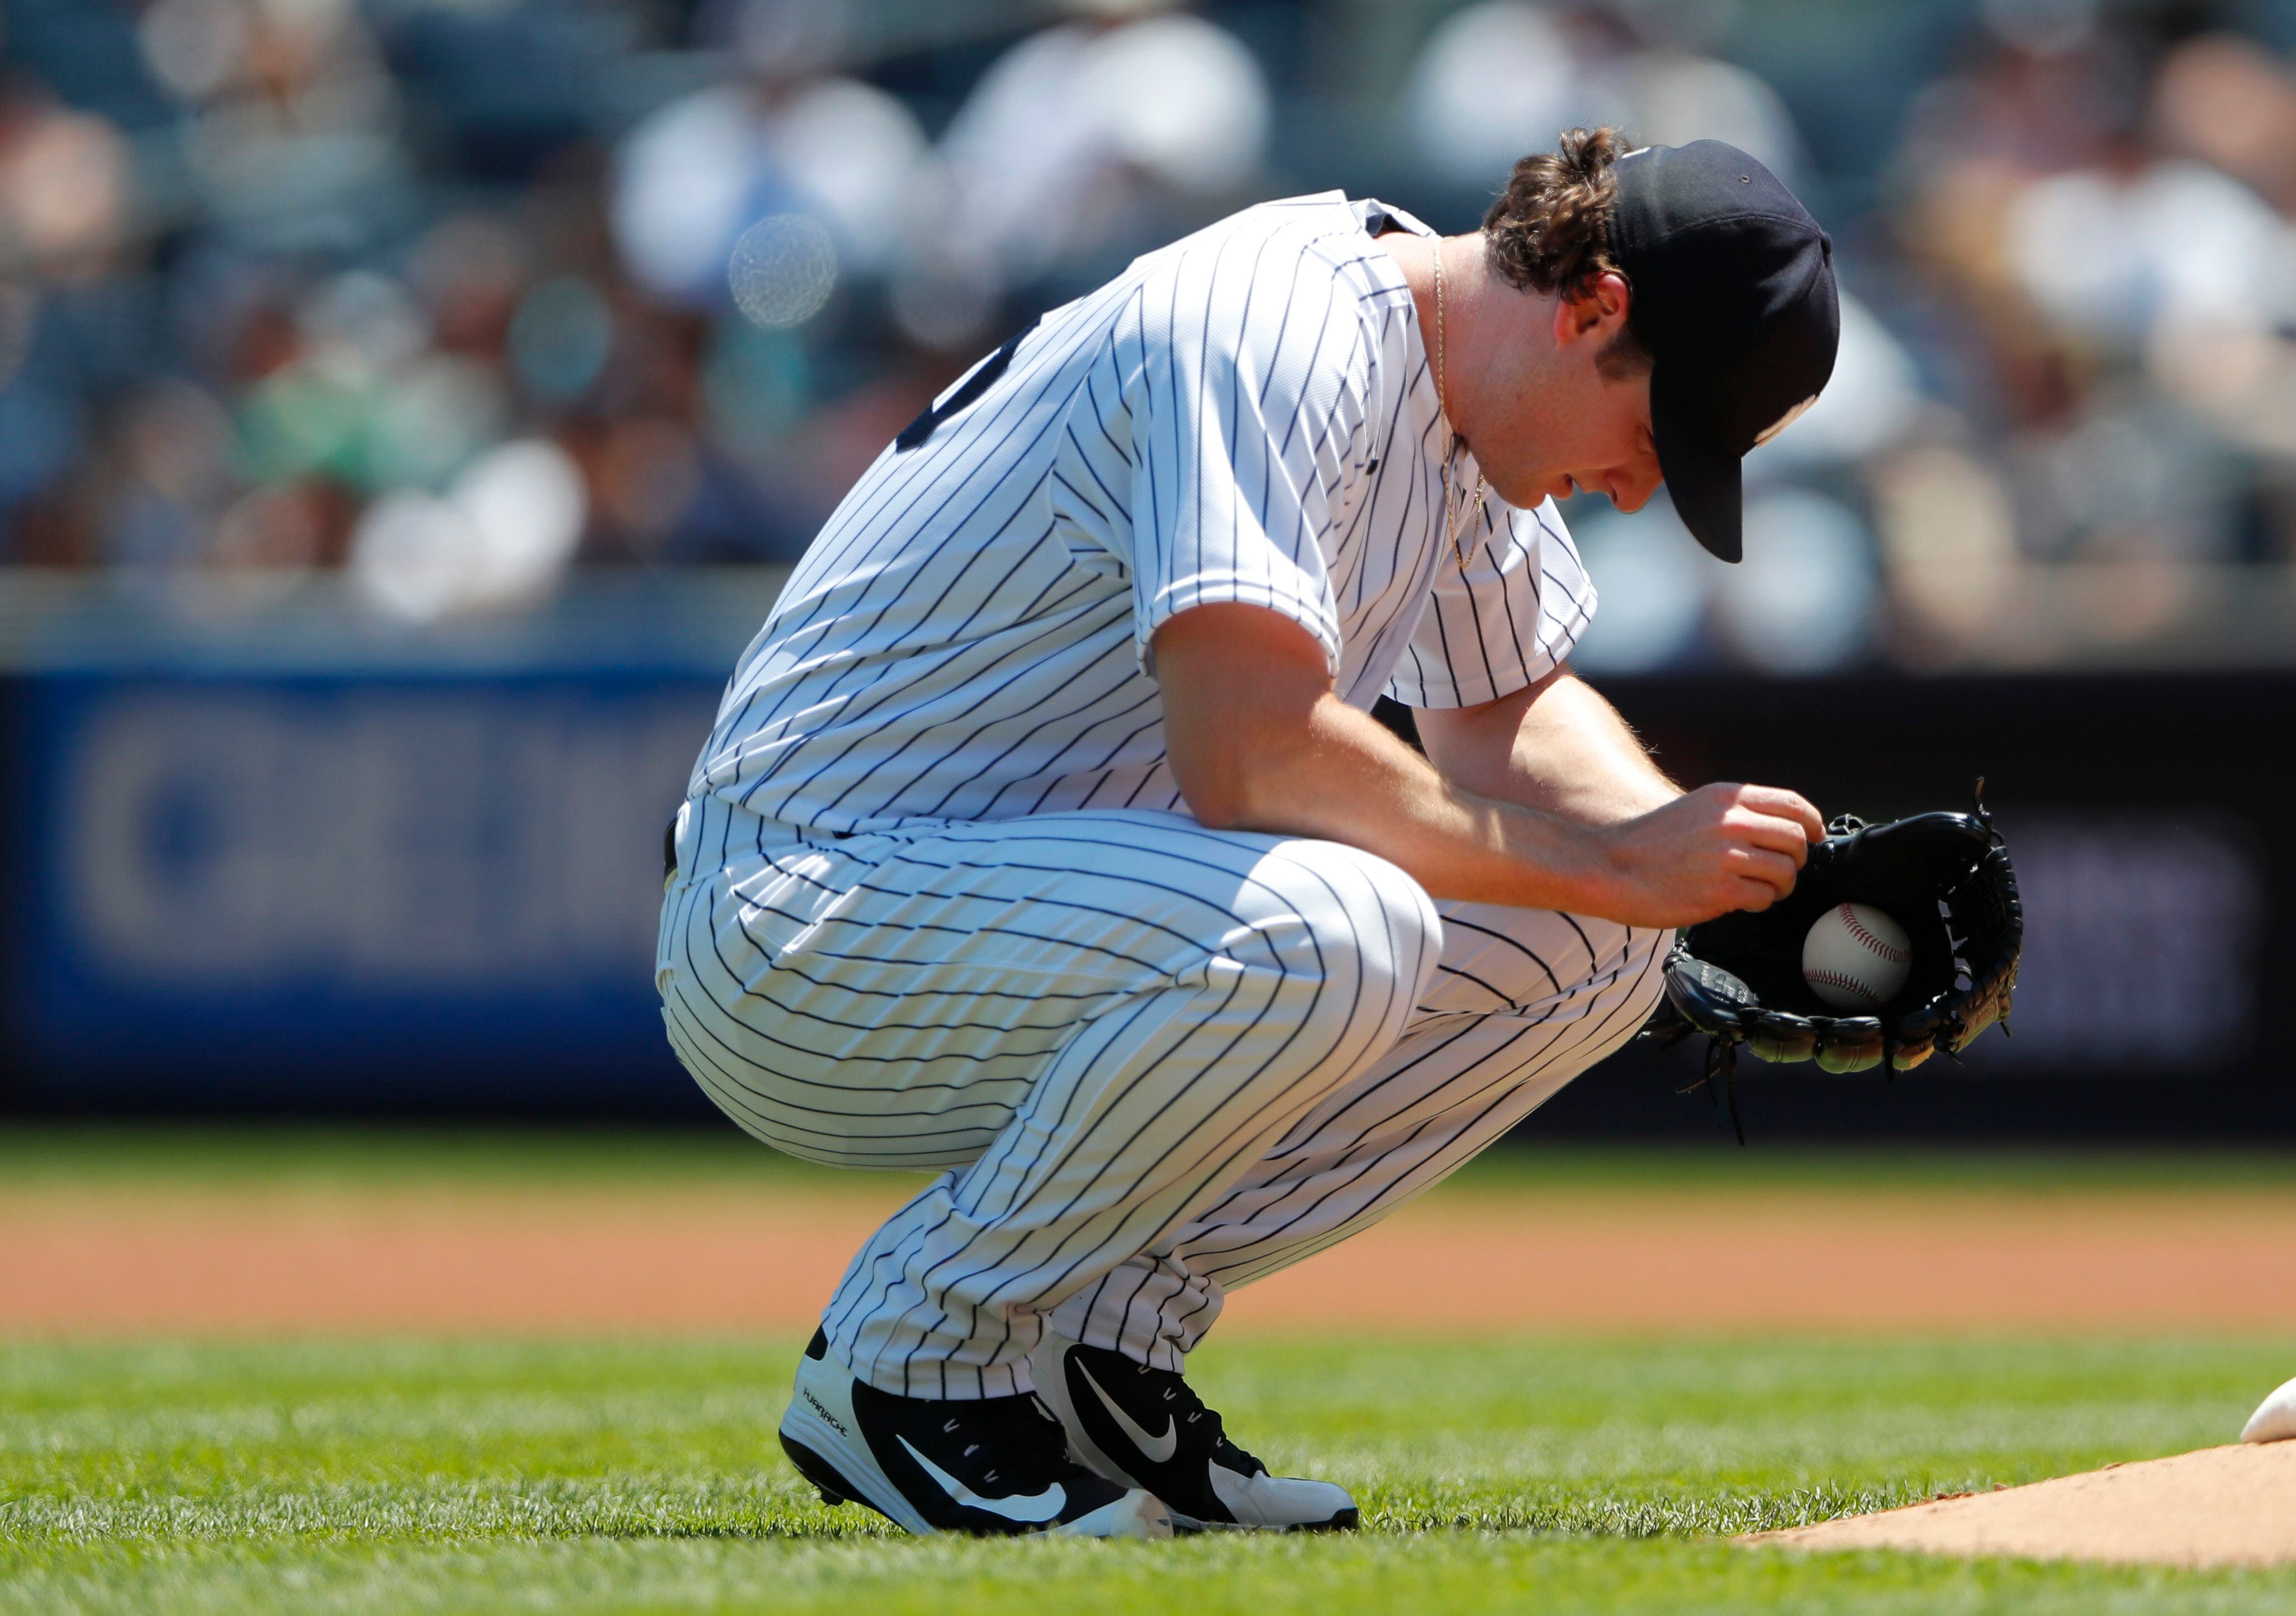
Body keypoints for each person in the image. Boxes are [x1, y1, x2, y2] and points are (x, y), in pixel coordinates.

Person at [656, 129, 1839, 1538]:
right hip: (807, 912)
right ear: (1592, 305)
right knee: (1336, 929)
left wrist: (1723, 878)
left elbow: (1507, 708)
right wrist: (1617, 860)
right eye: (1658, 435)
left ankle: (1096, 1341)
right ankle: (912, 1356)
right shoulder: (1273, 327)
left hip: (1029, 907)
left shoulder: (1466, 395)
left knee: (1601, 944)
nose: (1644, 488)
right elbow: (1252, 754)